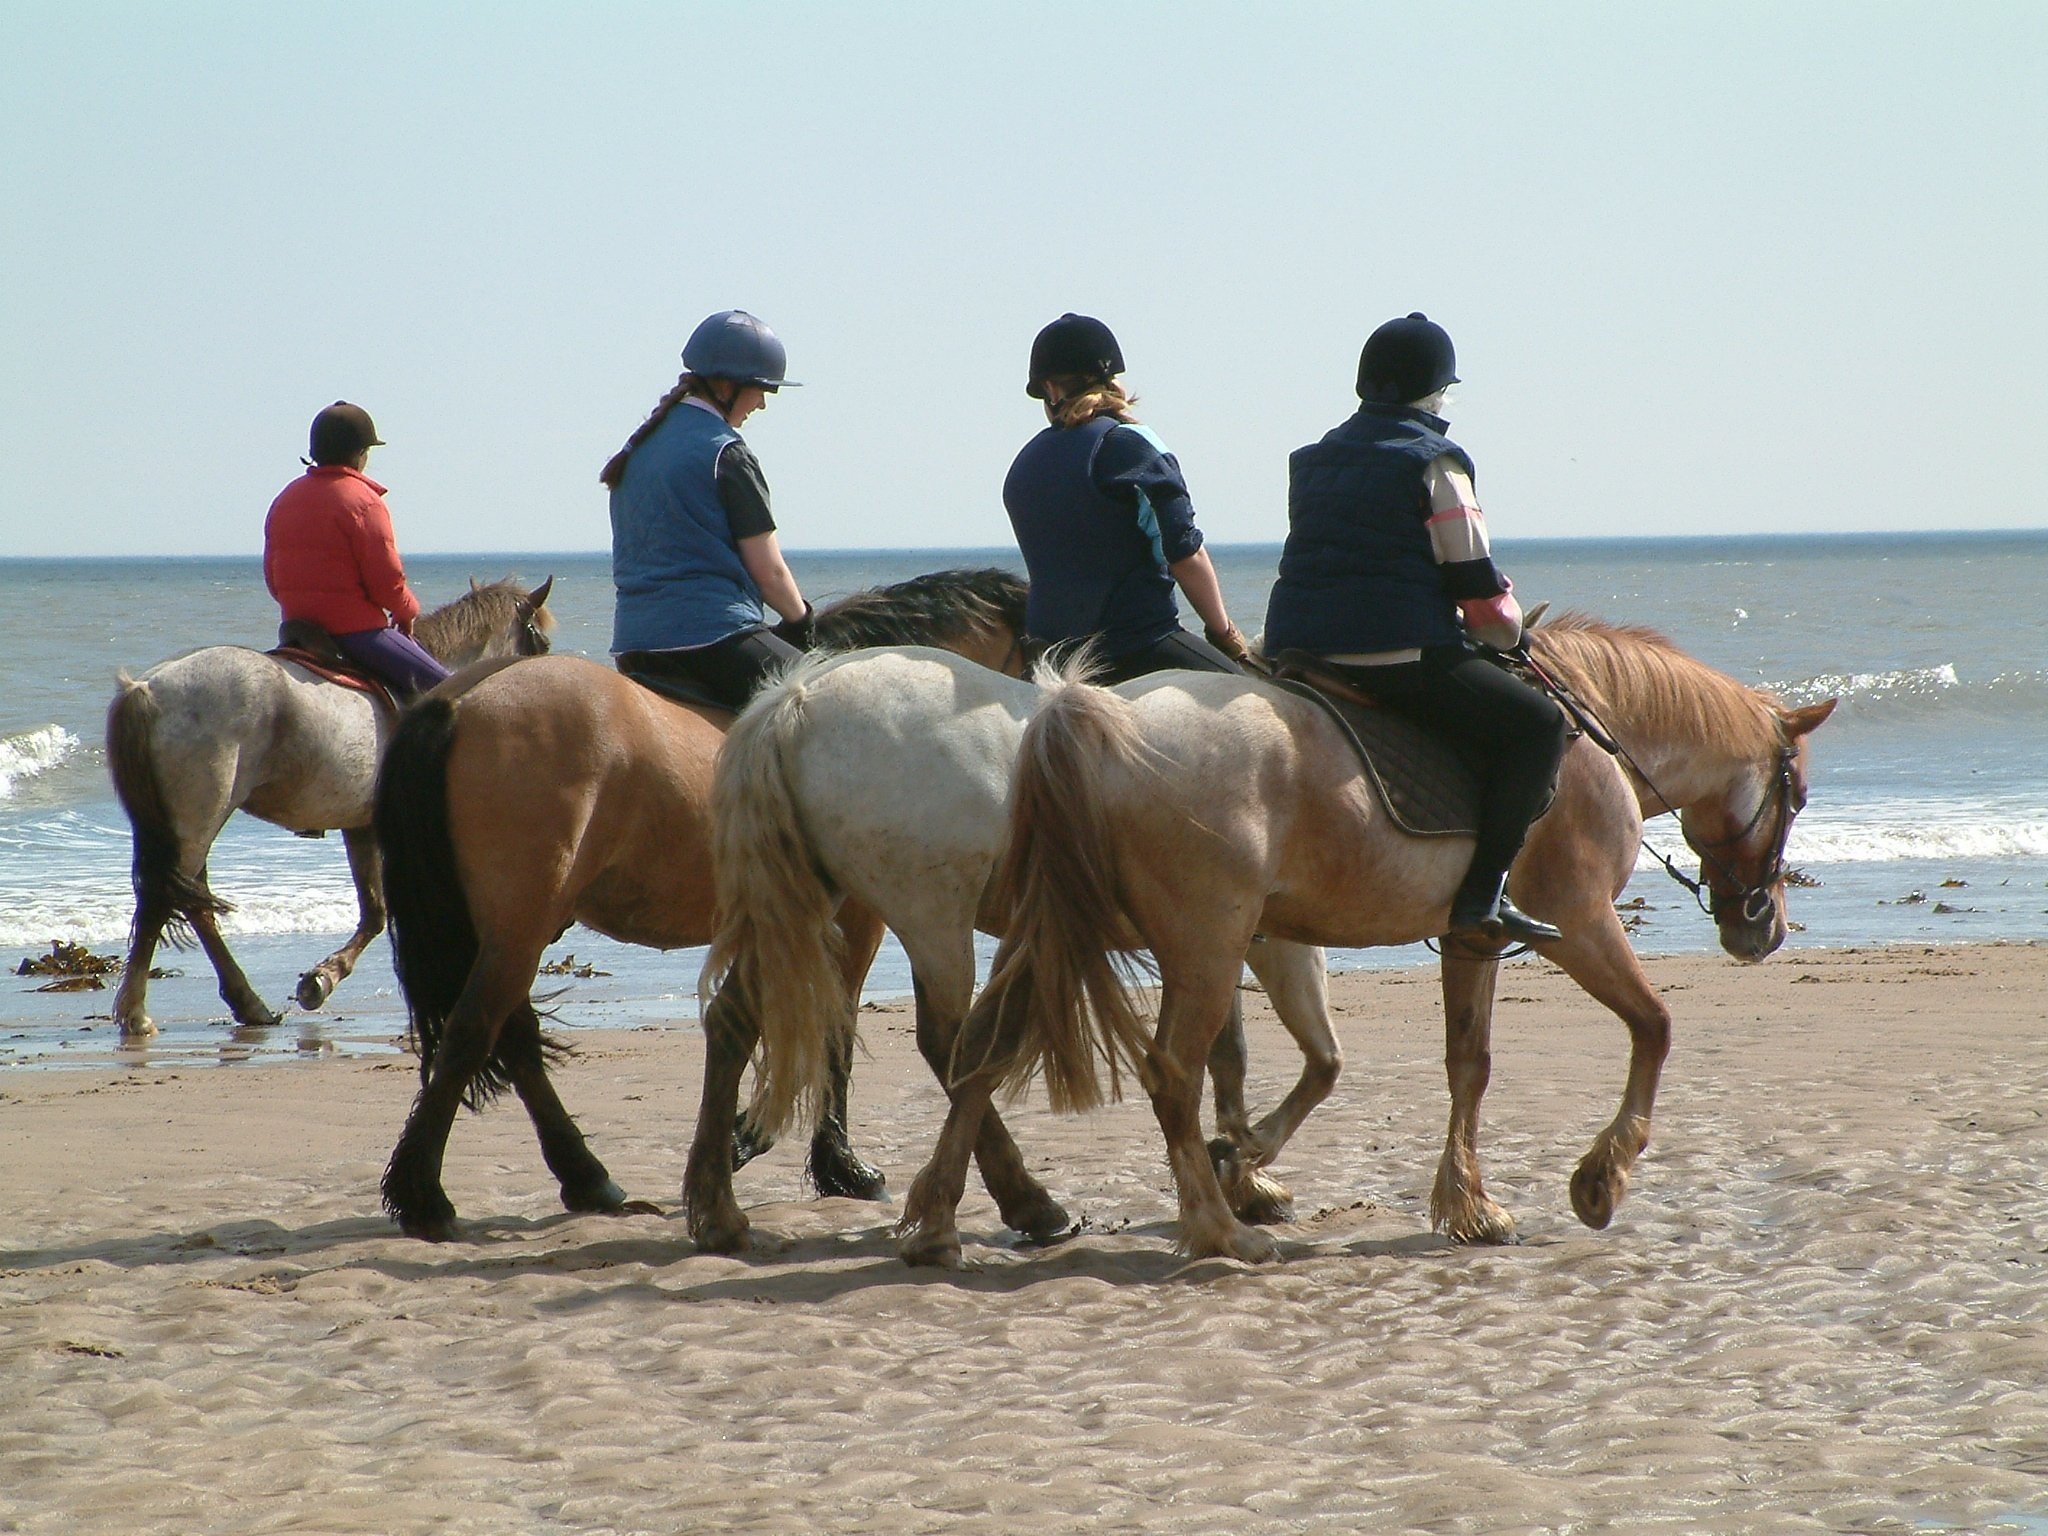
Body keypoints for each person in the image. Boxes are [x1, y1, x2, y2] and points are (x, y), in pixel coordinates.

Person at [1263, 313, 1568, 945]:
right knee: (1538, 727)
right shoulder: (1437, 463)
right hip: (1395, 655)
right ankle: (1483, 896)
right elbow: (1476, 587)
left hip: (1297, 650)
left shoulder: (1312, 457)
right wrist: (1514, 639)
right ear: (1433, 391)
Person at [1002, 313, 1248, 684]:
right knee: (1258, 702)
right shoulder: (1130, 444)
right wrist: (1224, 633)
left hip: (1051, 662)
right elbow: (1185, 553)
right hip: (1138, 647)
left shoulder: (1023, 466)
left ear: (1051, 390)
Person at [602, 309, 814, 711]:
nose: (763, 405)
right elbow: (769, 573)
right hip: (712, 639)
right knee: (832, 698)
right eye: (762, 390)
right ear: (726, 385)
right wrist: (802, 620)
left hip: (633, 644)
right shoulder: (726, 452)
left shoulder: (638, 452)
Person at [263, 401, 452, 697]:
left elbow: (274, 581)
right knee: (450, 692)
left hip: (296, 631)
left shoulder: (284, 499)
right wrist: (407, 611)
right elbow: (386, 581)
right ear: (360, 454)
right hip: (358, 634)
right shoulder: (364, 502)